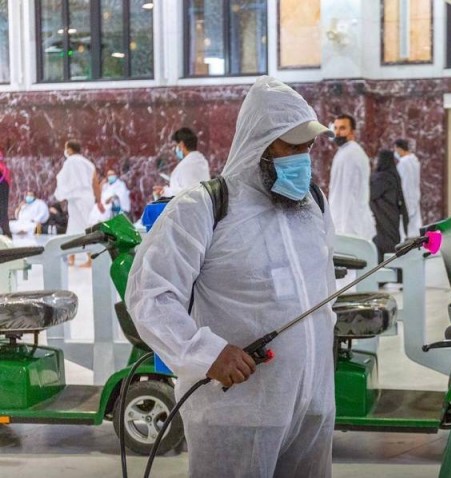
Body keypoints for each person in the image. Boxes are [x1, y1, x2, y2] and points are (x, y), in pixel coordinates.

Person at [126, 76, 337, 478]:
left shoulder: (313, 204)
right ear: (260, 144)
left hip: (313, 406)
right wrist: (207, 354)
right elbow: (149, 295)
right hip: (237, 412)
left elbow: (324, 289)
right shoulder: (204, 207)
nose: (302, 159)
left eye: (307, 148)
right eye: (291, 147)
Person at [327, 114, 376, 241]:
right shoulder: (344, 152)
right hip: (344, 223)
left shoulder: (352, 154)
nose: (337, 132)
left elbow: (348, 195)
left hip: (350, 226)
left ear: (352, 132)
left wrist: (344, 231)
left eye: (342, 128)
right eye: (336, 128)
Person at [54, 140, 102, 265]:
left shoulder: (70, 162)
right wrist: (99, 201)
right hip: (87, 198)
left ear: (69, 149)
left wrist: (61, 195)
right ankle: (72, 257)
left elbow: (61, 179)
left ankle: (90, 259)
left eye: (66, 148)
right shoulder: (89, 164)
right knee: (75, 226)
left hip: (76, 198)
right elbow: (95, 184)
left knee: (83, 227)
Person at [370, 150, 409, 263]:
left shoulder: (381, 178)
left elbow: (371, 194)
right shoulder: (394, 176)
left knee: (382, 249)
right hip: (392, 218)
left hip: (382, 219)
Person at [153, 127, 210, 199]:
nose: (175, 149)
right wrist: (165, 190)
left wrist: (165, 192)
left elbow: (188, 195)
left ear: (181, 145)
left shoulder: (186, 166)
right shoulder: (202, 162)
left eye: (176, 145)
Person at [393, 139, 421, 239]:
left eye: (396, 149)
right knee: (414, 228)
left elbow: (401, 182)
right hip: (415, 196)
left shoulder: (403, 163)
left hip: (406, 197)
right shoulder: (415, 161)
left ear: (400, 149)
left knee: (405, 229)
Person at [0, 150, 12, 237]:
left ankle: (6, 233)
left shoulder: (2, 168)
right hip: (4, 183)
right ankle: (6, 233)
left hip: (3, 184)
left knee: (2, 210)